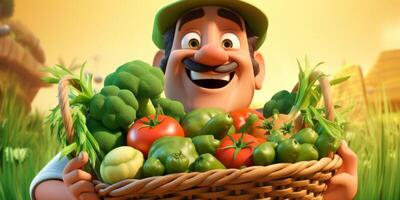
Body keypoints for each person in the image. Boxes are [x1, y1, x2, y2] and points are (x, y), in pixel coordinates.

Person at [30, 1, 358, 199]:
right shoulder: (134, 128)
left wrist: (334, 193)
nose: (211, 53)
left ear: (258, 69)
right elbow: (41, 184)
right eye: (191, 40)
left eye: (229, 41)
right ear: (161, 63)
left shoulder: (270, 127)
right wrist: (75, 193)